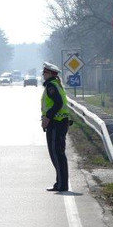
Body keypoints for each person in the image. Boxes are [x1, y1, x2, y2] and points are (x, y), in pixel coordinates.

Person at [40, 61, 71, 192]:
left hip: (56, 123)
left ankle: (61, 185)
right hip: (60, 122)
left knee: (57, 154)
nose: (43, 74)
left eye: (44, 72)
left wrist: (47, 117)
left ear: (50, 74)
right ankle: (60, 183)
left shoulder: (51, 86)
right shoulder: (56, 84)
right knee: (59, 154)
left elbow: (58, 103)